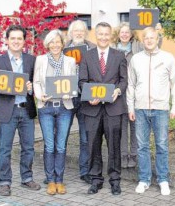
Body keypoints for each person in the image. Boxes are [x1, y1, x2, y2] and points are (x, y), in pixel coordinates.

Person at [127, 27, 175, 196]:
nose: (149, 40)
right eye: (146, 38)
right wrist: (130, 107)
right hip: (140, 108)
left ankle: (163, 180)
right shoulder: (136, 59)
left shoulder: (168, 58)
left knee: (162, 145)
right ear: (142, 40)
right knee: (142, 146)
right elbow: (131, 85)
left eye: (152, 37)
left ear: (158, 39)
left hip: (160, 109)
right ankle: (144, 180)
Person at [0, 25, 41, 196]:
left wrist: (31, 88)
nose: (16, 41)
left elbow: (37, 85)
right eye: (13, 38)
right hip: (7, 111)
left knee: (28, 148)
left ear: (24, 41)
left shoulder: (32, 60)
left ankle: (27, 178)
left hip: (26, 110)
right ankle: (4, 182)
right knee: (5, 148)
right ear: (7, 41)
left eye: (19, 38)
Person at [79, 22, 128, 195]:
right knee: (93, 145)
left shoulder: (119, 55)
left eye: (106, 34)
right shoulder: (87, 56)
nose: (103, 37)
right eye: (100, 34)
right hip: (91, 109)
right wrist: (88, 95)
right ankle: (96, 179)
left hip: (113, 108)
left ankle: (115, 180)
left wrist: (118, 90)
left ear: (110, 35)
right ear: (96, 35)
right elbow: (82, 81)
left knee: (114, 146)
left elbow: (124, 80)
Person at [111, 22, 163, 169]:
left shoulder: (138, 46)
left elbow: (155, 45)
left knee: (134, 126)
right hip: (118, 92)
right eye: (122, 32)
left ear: (131, 34)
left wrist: (159, 32)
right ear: (118, 34)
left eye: (127, 32)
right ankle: (122, 155)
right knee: (122, 127)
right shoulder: (113, 49)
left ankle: (133, 155)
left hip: (135, 91)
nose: (125, 34)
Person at [33, 29, 76, 195]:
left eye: (58, 42)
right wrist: (39, 95)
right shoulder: (41, 60)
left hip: (65, 107)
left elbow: (73, 84)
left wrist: (69, 92)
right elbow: (36, 82)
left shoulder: (70, 61)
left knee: (61, 145)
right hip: (46, 107)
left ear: (62, 44)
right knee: (49, 145)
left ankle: (60, 180)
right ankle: (50, 180)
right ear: (47, 44)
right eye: (52, 42)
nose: (55, 45)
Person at [65, 20, 96, 184]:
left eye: (81, 30)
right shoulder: (62, 48)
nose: (78, 33)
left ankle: (85, 171)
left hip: (85, 98)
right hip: (67, 97)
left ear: (85, 32)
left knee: (85, 138)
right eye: (75, 31)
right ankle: (57, 172)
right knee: (62, 136)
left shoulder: (92, 48)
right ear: (71, 33)